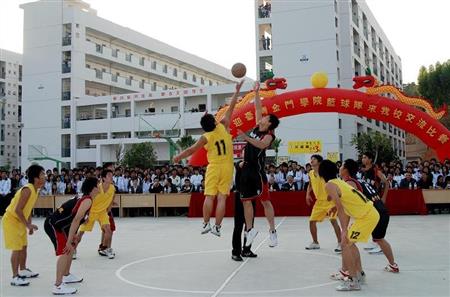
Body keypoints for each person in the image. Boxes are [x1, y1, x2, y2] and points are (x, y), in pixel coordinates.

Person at [173, 80, 243, 236]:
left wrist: (178, 157)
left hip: (214, 166)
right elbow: (232, 106)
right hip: (228, 166)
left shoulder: (206, 137)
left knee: (210, 196)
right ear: (214, 121)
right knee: (222, 198)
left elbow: (191, 150)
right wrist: (237, 91)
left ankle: (206, 224)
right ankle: (218, 227)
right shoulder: (223, 125)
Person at [331, 159, 399, 282]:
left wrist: (344, 228)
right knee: (378, 239)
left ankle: (347, 271)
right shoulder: (358, 180)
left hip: (374, 212)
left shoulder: (349, 183)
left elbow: (347, 205)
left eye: (341, 166)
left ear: (346, 170)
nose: (339, 168)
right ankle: (392, 265)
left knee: (347, 241)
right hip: (380, 210)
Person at [319, 160, 380, 291]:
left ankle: (353, 281)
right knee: (350, 244)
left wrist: (343, 230)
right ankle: (359, 274)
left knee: (345, 243)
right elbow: (342, 201)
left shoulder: (330, 185)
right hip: (369, 213)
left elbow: (341, 208)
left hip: (367, 216)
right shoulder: (339, 181)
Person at [237, 81, 280, 248]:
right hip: (246, 169)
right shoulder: (257, 126)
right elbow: (257, 107)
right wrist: (256, 92)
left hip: (258, 172)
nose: (262, 117)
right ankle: (250, 230)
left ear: (269, 123)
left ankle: (272, 231)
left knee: (265, 202)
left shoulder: (269, 135)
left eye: (265, 117)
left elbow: (261, 145)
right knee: (246, 201)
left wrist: (246, 138)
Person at [44, 177, 99, 295]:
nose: (99, 187)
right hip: (53, 224)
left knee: (71, 247)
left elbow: (74, 218)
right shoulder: (87, 200)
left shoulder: (83, 197)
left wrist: (72, 237)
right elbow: (75, 220)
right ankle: (58, 286)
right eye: (97, 185)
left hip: (60, 225)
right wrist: (69, 240)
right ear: (93, 188)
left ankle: (66, 275)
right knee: (65, 250)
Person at [2, 165, 45, 286]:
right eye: (42, 174)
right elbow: (18, 210)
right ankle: (15, 276)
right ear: (36, 178)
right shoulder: (27, 189)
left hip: (19, 221)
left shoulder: (35, 190)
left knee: (23, 246)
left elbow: (28, 209)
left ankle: (23, 270)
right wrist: (27, 225)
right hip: (11, 220)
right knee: (17, 248)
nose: (45, 176)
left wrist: (29, 225)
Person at [305, 155, 341, 253]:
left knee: (333, 220)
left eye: (314, 159)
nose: (311, 161)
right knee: (311, 221)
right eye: (311, 159)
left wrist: (332, 195)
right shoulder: (311, 173)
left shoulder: (325, 172)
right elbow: (310, 184)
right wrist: (308, 194)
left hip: (330, 201)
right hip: (319, 202)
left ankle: (340, 243)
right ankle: (315, 242)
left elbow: (333, 183)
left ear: (319, 162)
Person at [77, 169, 116, 259]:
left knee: (108, 230)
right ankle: (73, 249)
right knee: (81, 232)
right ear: (103, 178)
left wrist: (109, 207)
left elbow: (113, 196)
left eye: (112, 175)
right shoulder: (97, 188)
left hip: (102, 212)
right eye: (109, 175)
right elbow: (87, 200)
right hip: (91, 211)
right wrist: (85, 215)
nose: (111, 177)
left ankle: (106, 249)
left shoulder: (112, 188)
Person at [360, 152, 389, 253]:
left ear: (370, 159)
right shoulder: (364, 171)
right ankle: (375, 241)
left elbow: (386, 182)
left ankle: (380, 244)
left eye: (365, 157)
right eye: (362, 157)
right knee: (372, 220)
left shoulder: (376, 171)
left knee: (378, 220)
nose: (363, 159)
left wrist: (384, 197)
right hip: (368, 201)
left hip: (376, 199)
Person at [231, 161, 258, 261]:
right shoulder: (239, 163)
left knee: (249, 225)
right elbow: (241, 165)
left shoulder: (254, 166)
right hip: (240, 196)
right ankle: (235, 252)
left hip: (251, 196)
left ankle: (246, 249)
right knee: (238, 226)